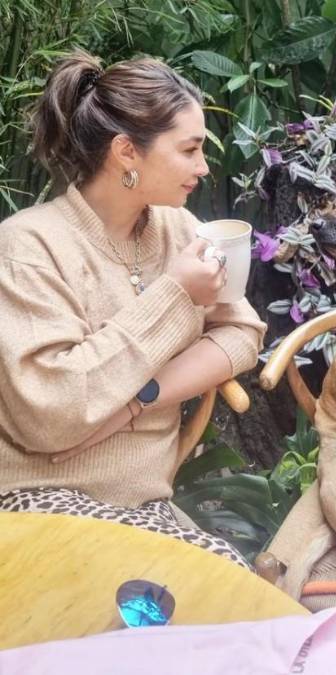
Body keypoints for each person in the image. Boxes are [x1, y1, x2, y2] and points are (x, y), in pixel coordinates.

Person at [0, 50, 266, 569]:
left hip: (144, 507)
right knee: (207, 589)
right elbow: (52, 413)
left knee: (231, 589)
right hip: (36, 501)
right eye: (189, 150)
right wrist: (174, 293)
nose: (203, 167)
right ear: (127, 152)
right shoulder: (29, 246)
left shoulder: (178, 230)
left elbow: (242, 332)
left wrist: (138, 401)